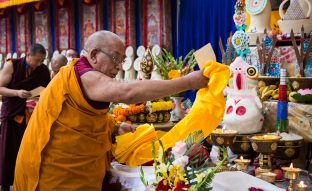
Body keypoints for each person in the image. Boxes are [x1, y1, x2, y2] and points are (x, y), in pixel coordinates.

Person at [13, 31, 209, 191]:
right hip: (56, 173)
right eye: (116, 58)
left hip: (80, 169)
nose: (118, 66)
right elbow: (127, 92)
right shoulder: (83, 75)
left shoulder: (79, 75)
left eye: (122, 60)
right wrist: (189, 82)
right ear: (93, 55)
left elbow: (79, 117)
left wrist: (113, 126)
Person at [0, 44, 51, 191]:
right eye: (37, 60)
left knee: (28, 150)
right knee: (8, 150)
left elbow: (46, 91)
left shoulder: (42, 70)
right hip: (12, 112)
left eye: (42, 60)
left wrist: (37, 100)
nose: (40, 64)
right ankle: (5, 184)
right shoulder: (12, 65)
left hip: (31, 115)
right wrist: (17, 93)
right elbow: (0, 87)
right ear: (28, 55)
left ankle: (26, 183)